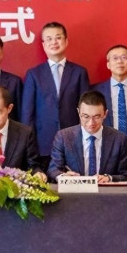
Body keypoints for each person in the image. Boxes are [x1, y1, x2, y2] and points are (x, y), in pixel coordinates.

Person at [22, 22, 90, 168]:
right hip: (43, 145)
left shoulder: (79, 73)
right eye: (49, 39)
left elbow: (87, 111)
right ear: (43, 44)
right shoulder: (34, 74)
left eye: (58, 37)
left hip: (74, 142)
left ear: (66, 41)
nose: (54, 42)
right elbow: (27, 114)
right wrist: (30, 145)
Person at [47, 91, 127, 183]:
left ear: (105, 114)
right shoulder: (63, 137)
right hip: (75, 190)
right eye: (86, 116)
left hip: (105, 190)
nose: (91, 123)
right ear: (78, 112)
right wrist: (63, 176)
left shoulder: (119, 139)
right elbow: (53, 169)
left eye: (97, 117)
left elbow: (126, 175)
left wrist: (109, 178)